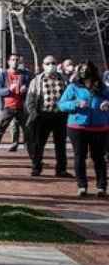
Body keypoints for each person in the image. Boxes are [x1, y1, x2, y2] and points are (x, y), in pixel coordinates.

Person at [57, 61, 109, 197]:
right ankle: (82, 186)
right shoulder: (73, 87)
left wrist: (106, 104)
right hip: (77, 127)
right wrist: (75, 104)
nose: (86, 78)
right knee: (80, 156)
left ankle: (101, 187)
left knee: (99, 158)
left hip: (99, 127)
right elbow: (61, 104)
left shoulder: (103, 87)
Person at [25, 55, 70, 177]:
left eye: (53, 63)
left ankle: (61, 169)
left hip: (60, 116)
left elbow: (70, 96)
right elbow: (30, 99)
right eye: (48, 63)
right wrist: (34, 114)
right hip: (43, 115)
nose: (51, 66)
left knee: (60, 144)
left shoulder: (64, 79)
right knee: (39, 144)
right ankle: (36, 167)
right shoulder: (36, 80)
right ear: (43, 65)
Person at [0, 53, 31, 160]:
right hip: (8, 108)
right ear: (8, 62)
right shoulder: (2, 75)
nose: (15, 62)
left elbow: (32, 88)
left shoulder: (25, 74)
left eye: (17, 60)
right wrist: (8, 90)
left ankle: (35, 161)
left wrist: (27, 89)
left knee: (29, 133)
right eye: (13, 60)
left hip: (22, 108)